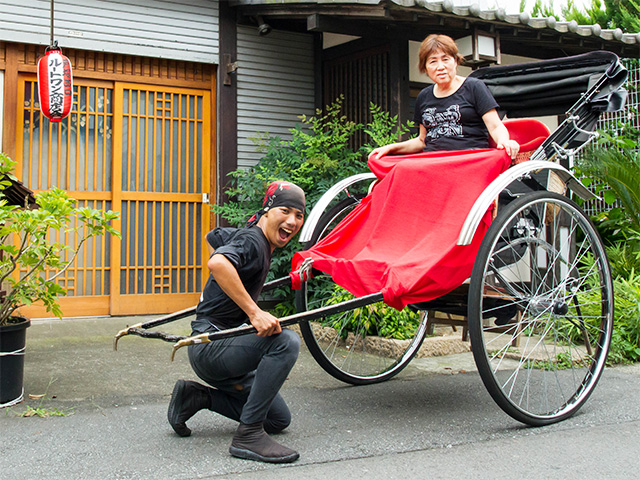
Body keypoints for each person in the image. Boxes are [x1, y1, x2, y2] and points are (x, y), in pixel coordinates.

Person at [167, 181, 306, 464]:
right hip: (211, 344)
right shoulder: (254, 241)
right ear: (267, 211)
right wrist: (254, 313)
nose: (292, 221)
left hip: (221, 346)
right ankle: (249, 435)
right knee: (285, 342)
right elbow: (218, 263)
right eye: (285, 210)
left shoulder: (253, 238)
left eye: (299, 215)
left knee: (278, 418)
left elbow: (214, 236)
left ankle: (196, 397)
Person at [369, 34, 519, 160]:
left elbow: (495, 126)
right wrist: (390, 148)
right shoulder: (424, 96)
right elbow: (422, 141)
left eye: (445, 59)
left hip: (470, 158)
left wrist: (505, 142)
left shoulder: (474, 87)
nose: (440, 67)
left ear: (455, 61)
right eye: (433, 61)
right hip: (433, 160)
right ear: (426, 68)